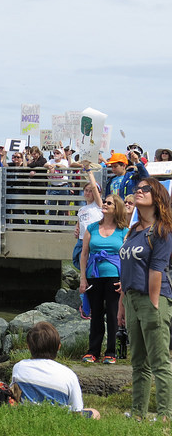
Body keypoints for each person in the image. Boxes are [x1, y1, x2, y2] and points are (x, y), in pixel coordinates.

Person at [118, 177, 172, 421]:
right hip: (130, 299)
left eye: (145, 189)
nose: (138, 192)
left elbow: (156, 270)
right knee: (138, 361)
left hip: (154, 299)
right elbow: (125, 271)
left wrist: (153, 305)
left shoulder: (161, 230)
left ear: (157, 195)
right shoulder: (133, 230)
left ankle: (164, 415)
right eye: (136, 189)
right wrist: (122, 305)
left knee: (159, 360)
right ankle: (138, 413)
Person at [79, 193, 128, 364]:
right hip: (94, 275)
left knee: (114, 315)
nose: (104, 204)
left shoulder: (124, 231)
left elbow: (127, 258)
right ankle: (93, 351)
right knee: (96, 314)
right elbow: (84, 254)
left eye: (109, 203)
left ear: (117, 208)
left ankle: (111, 352)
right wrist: (83, 279)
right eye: (104, 202)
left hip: (115, 276)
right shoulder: (92, 228)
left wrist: (125, 280)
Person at [11, 322, 98, 418]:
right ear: (59, 347)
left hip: (28, 414)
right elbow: (77, 410)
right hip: (59, 417)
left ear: (28, 346)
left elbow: (14, 395)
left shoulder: (19, 367)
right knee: (94, 412)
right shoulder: (69, 374)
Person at [72, 165, 103, 270]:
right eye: (86, 190)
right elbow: (79, 224)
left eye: (91, 191)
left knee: (90, 266)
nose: (88, 193)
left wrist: (89, 172)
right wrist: (76, 230)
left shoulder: (99, 206)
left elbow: (94, 187)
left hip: (93, 240)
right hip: (81, 240)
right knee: (79, 263)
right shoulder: (81, 209)